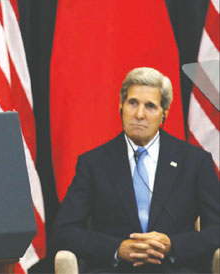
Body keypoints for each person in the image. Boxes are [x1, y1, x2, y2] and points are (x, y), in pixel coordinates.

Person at [52, 67, 219, 273]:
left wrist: (171, 245)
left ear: (164, 112)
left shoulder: (194, 162)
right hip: (114, 268)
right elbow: (65, 230)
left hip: (174, 267)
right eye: (133, 103)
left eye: (150, 106)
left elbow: (217, 229)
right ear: (121, 106)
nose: (139, 114)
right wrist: (117, 248)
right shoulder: (93, 163)